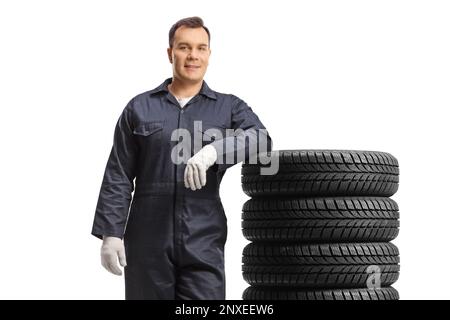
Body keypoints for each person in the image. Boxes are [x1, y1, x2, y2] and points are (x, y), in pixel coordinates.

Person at [91, 16, 272, 300]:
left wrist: (214, 151)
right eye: (184, 47)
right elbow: (119, 174)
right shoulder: (140, 107)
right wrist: (110, 233)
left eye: (201, 48)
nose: (193, 56)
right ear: (170, 53)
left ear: (209, 54)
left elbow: (261, 139)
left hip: (203, 235)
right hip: (148, 238)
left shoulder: (228, 107)